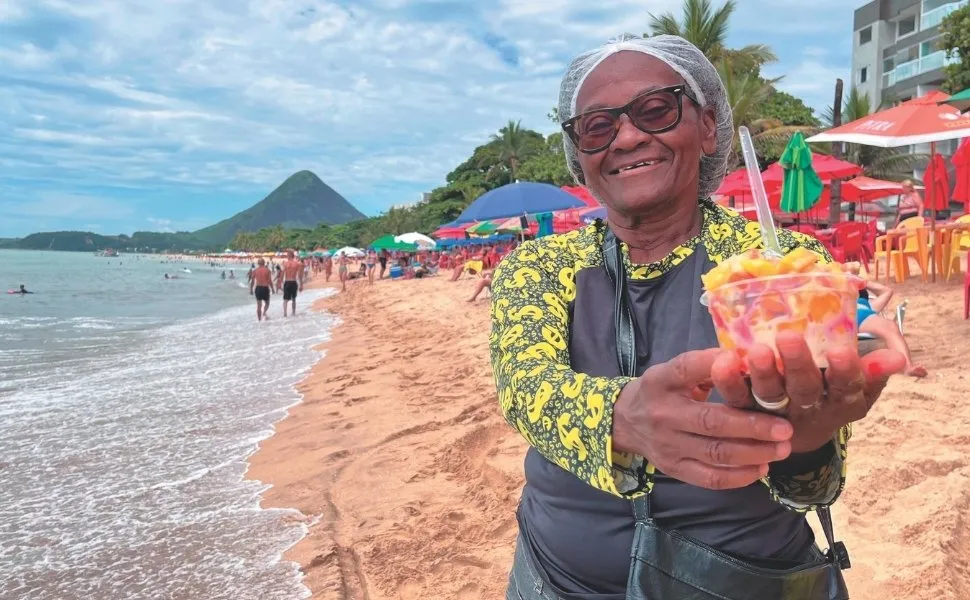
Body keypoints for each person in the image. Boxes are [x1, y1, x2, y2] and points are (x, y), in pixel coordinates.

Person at [488, 34, 907, 599]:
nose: (629, 135)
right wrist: (622, 416)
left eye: (655, 109)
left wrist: (807, 441)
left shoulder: (782, 267)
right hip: (558, 579)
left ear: (707, 126)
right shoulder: (538, 265)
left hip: (750, 580)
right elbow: (525, 388)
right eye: (597, 126)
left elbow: (815, 492)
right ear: (580, 155)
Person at [845, 262, 927, 378]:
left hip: (857, 314)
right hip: (835, 309)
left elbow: (887, 291)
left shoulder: (868, 306)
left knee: (890, 325)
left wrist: (863, 282)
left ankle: (908, 367)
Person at [281, 250, 304, 317]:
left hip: (287, 282)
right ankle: (293, 313)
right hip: (293, 282)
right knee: (293, 299)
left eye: (287, 255)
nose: (287, 256)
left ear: (289, 255)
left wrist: (280, 282)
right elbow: (299, 275)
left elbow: (282, 273)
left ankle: (285, 314)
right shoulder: (297, 264)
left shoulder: (285, 263)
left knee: (285, 299)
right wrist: (301, 284)